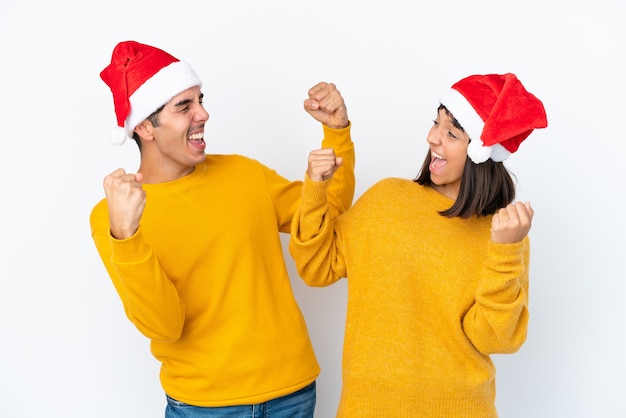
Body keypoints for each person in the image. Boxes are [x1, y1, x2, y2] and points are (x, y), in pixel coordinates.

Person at [90, 40, 355, 417]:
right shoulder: (113, 216)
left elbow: (328, 213)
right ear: (146, 127)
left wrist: (337, 132)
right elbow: (164, 326)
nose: (204, 114)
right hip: (204, 407)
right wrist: (127, 237)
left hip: (292, 394)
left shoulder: (244, 174)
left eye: (200, 100)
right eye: (185, 106)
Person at [289, 73, 547, 417]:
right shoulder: (388, 200)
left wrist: (505, 253)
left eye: (451, 133)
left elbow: (495, 339)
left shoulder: (502, 234)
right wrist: (315, 190)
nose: (432, 138)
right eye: (435, 123)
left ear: (481, 154)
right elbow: (316, 267)